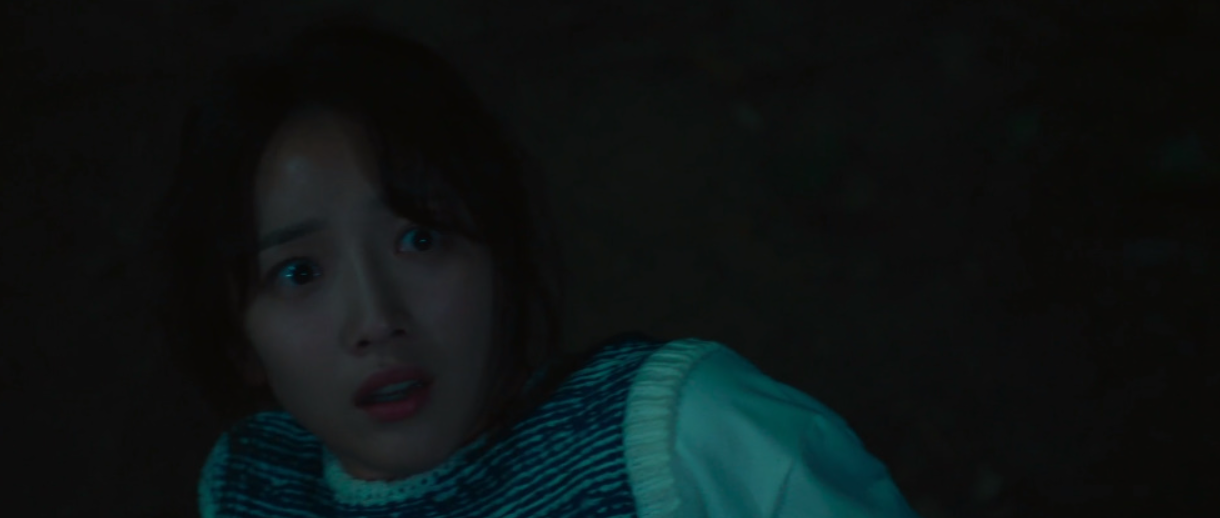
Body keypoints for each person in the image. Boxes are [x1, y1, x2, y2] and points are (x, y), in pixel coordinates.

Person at [149, 18, 921, 518]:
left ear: (497, 253)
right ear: (240, 341)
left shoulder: (678, 436)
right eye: (299, 274)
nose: (377, 319)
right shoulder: (255, 490)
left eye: (419, 240)